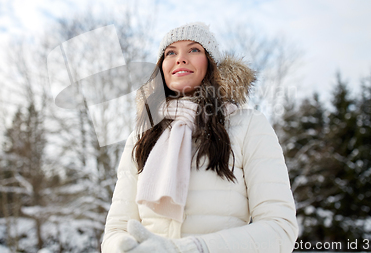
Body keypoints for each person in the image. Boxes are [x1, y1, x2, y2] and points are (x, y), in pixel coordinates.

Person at [101, 22, 298, 253]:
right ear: (161, 68)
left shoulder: (249, 125)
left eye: (194, 50)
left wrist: (191, 249)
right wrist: (123, 249)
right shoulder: (141, 136)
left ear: (212, 64)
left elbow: (280, 229)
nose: (180, 58)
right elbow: (116, 230)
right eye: (170, 52)